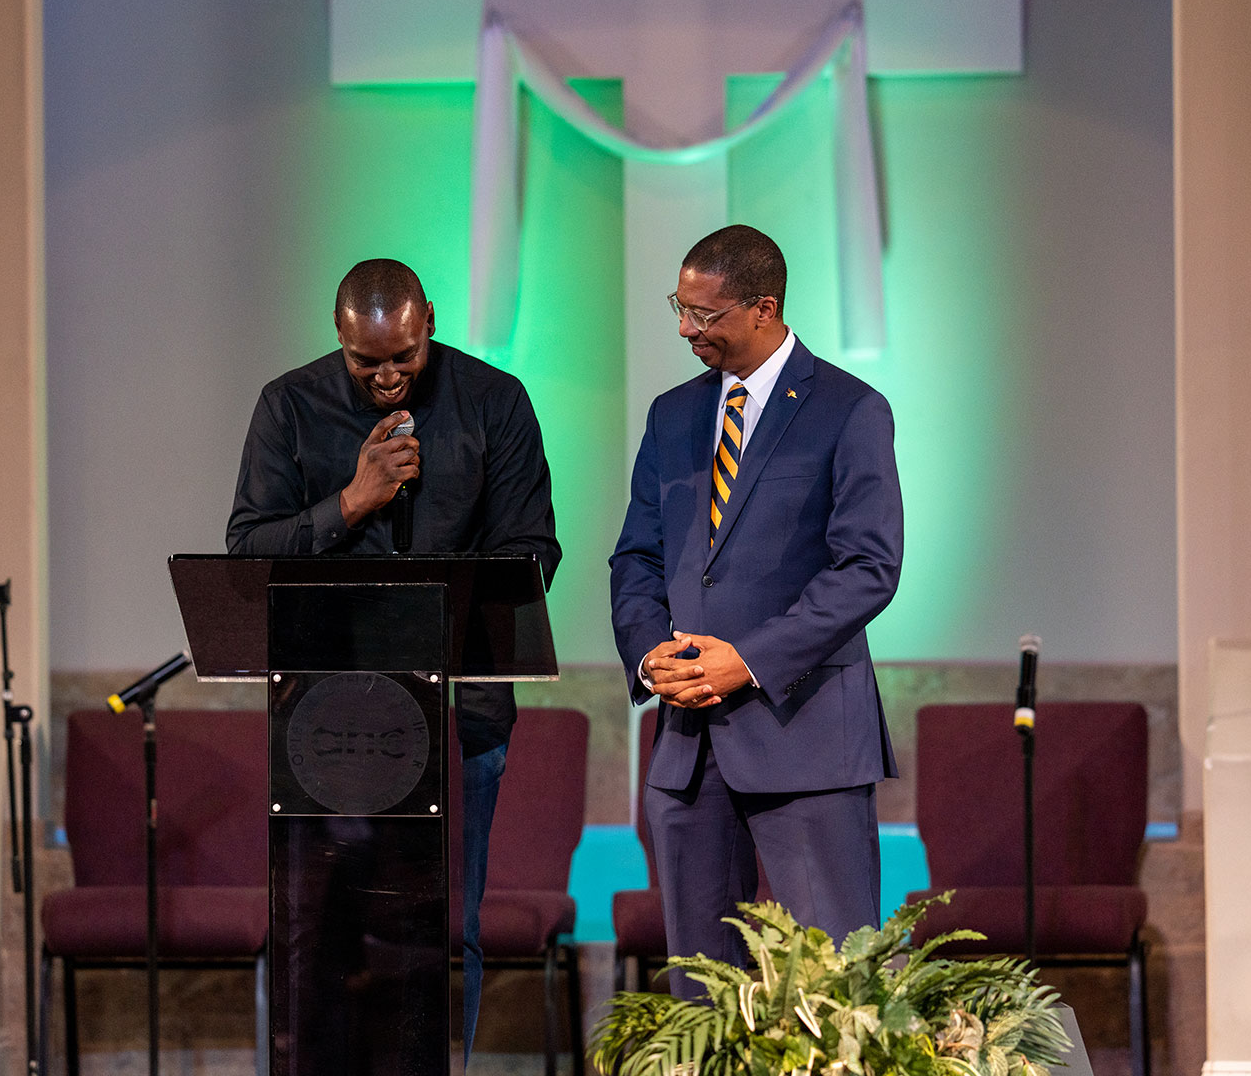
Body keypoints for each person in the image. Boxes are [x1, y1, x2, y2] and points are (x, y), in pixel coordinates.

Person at [227, 257, 560, 1057]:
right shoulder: (290, 406)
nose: (385, 377)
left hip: (458, 715)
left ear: (431, 322)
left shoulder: (495, 402)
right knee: (319, 932)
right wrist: (351, 503)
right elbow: (246, 551)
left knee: (448, 927)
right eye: (364, 361)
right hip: (324, 720)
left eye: (402, 359)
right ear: (339, 337)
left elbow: (532, 556)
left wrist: (427, 612)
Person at [609, 224, 904, 990]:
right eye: (680, 306)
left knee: (834, 996)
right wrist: (650, 655)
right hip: (687, 747)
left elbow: (868, 567)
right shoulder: (672, 416)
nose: (685, 328)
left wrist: (750, 658)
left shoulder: (850, 409)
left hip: (805, 737)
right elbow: (636, 558)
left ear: (764, 309)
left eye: (704, 315)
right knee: (701, 1004)